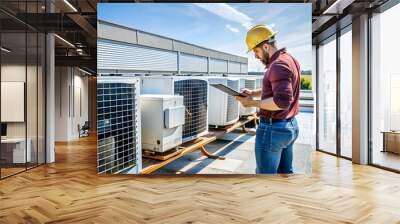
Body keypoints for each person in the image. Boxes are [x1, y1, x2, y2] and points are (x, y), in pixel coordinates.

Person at [236, 24, 301, 174]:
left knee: (264, 177)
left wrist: (250, 103)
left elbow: (281, 102)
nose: (255, 56)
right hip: (289, 126)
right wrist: (252, 93)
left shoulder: (278, 65)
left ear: (265, 47)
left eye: (256, 51)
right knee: (285, 173)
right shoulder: (290, 59)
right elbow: (278, 90)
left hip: (273, 129)